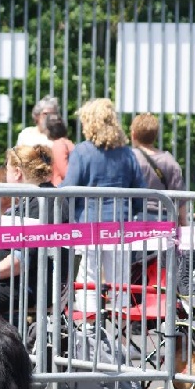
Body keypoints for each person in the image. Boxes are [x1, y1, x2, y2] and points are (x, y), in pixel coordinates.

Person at [0, 145, 69, 320]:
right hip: (11, 281)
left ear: (17, 172)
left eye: (7, 168)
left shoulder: (44, 203)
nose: (5, 174)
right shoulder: (30, 201)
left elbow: (20, 261)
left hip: (28, 285)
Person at [60, 98, 145, 313]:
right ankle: (120, 333)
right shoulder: (127, 153)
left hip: (87, 223)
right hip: (120, 224)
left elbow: (68, 188)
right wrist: (130, 212)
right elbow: (140, 191)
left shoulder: (82, 151)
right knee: (120, 281)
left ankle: (90, 333)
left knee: (87, 279)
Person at [130, 112, 187, 226]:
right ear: (156, 135)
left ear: (134, 135)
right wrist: (183, 222)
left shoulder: (130, 158)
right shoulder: (169, 161)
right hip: (164, 219)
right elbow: (180, 198)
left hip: (135, 218)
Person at [44, 114, 74, 186]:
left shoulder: (58, 145)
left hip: (61, 190)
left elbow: (65, 172)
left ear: (48, 130)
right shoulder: (68, 143)